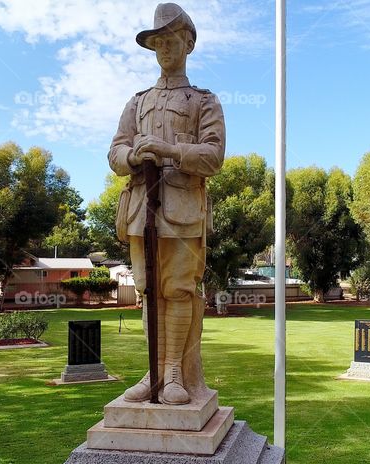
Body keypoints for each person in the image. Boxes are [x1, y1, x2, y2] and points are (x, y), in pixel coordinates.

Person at [109, 3, 226, 405]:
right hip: (142, 209)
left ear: (188, 43)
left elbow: (213, 157)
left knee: (178, 290)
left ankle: (175, 373)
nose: (163, 49)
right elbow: (115, 152)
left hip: (183, 211)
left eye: (170, 41)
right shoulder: (137, 102)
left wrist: (169, 150)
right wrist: (132, 157)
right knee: (147, 292)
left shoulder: (203, 101)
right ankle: (153, 372)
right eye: (156, 43)